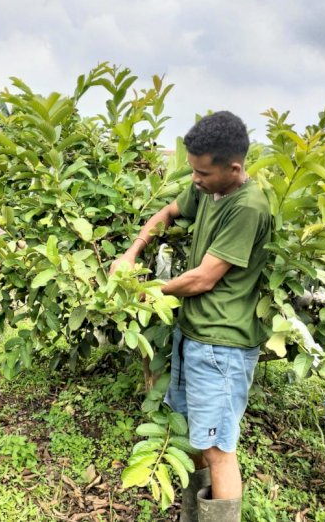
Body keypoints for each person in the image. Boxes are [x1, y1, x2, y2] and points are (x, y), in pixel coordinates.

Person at [111, 111, 271, 522]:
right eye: (193, 170)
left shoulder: (248, 206)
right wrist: (133, 251)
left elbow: (202, 279)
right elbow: (167, 212)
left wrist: (141, 291)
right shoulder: (209, 190)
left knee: (219, 451)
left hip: (223, 344)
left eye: (202, 172)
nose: (194, 179)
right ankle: (195, 515)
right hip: (193, 334)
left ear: (233, 168)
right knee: (200, 438)